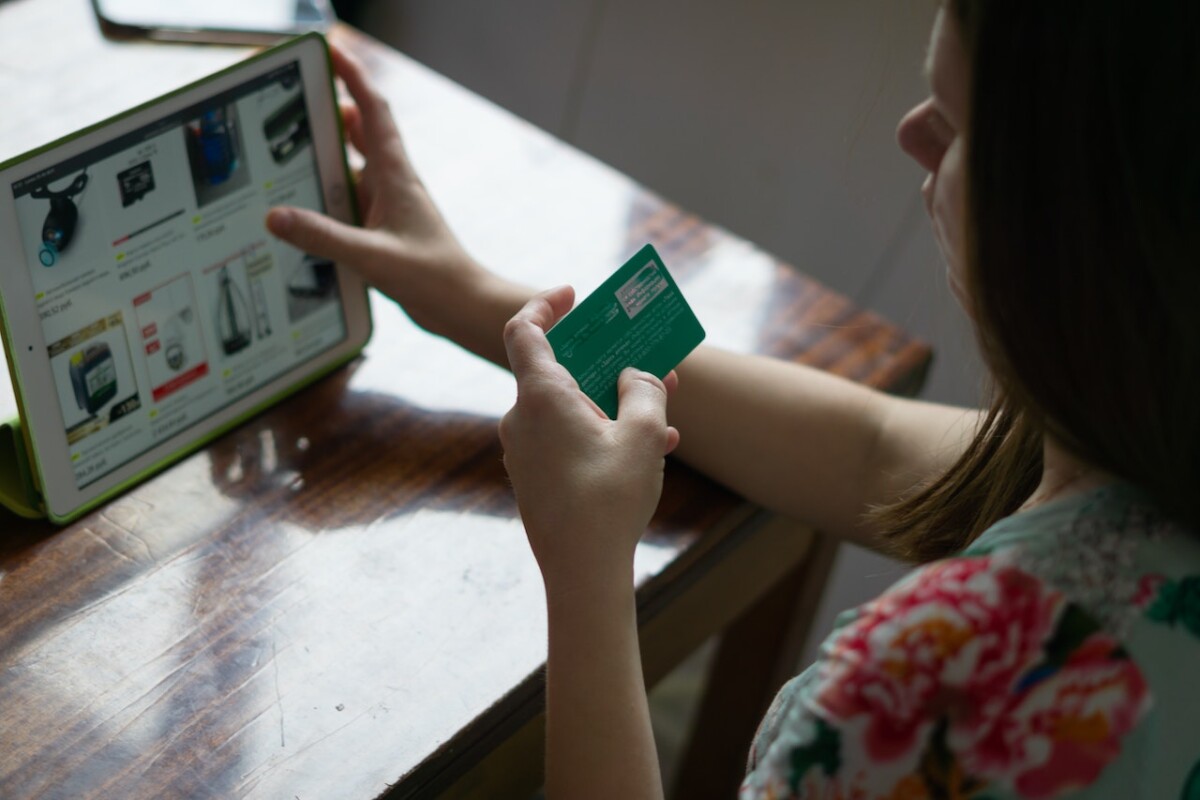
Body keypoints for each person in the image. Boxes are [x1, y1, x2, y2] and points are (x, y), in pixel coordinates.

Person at [266, 2, 1200, 797]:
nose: (911, 133)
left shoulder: (956, 686)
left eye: (959, 127)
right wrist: (477, 298)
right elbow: (872, 448)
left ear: (1087, 223)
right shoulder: (1142, 457)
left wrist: (587, 561)